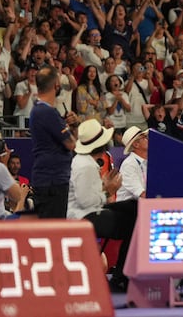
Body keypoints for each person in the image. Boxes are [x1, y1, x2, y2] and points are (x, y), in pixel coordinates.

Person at [68, 120, 138, 290]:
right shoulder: (85, 166)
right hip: (84, 217)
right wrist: (108, 191)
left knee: (134, 208)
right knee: (134, 222)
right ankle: (121, 276)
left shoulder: (85, 161)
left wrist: (103, 187)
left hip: (89, 211)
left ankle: (122, 275)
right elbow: (86, 202)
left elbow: (88, 195)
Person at [30, 66, 78, 219]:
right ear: (56, 84)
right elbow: (71, 144)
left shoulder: (41, 110)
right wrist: (71, 128)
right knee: (53, 231)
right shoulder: (47, 112)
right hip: (52, 181)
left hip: (50, 180)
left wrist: (72, 126)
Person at [116, 125, 148, 201]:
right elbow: (142, 194)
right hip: (127, 210)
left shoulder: (147, 161)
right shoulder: (129, 165)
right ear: (136, 144)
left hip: (140, 205)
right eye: (144, 138)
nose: (147, 139)